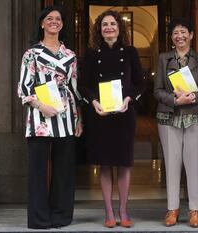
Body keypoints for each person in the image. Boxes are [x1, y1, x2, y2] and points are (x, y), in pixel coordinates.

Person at [17, 5, 83, 229]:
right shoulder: (31, 54)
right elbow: (24, 89)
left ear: (62, 25)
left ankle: (61, 216)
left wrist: (79, 119)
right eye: (49, 18)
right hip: (40, 119)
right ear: (42, 23)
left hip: (65, 119)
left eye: (58, 19)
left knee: (64, 171)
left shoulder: (70, 56)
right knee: (37, 171)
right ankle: (39, 218)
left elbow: (75, 90)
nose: (54, 21)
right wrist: (40, 105)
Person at [78, 10, 145, 228]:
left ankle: (123, 211)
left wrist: (129, 99)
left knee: (124, 164)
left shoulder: (131, 52)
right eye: (104, 24)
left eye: (112, 24)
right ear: (99, 29)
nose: (108, 28)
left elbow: (140, 83)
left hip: (124, 114)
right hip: (100, 115)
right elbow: (83, 85)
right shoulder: (90, 54)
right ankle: (108, 212)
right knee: (105, 165)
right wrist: (93, 102)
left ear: (119, 28)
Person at [154, 17, 198, 228]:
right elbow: (157, 90)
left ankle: (195, 210)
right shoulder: (163, 59)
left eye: (183, 32)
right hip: (169, 117)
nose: (180, 36)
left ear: (191, 35)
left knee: (194, 164)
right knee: (171, 163)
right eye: (175, 33)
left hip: (196, 115)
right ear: (171, 37)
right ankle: (172, 209)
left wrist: (193, 97)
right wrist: (176, 100)